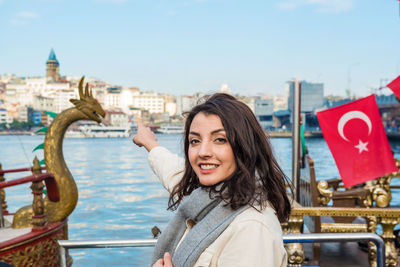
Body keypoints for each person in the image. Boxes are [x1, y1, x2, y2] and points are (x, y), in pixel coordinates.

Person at [132, 93, 291, 267]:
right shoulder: (207, 200)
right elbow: (174, 172)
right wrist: (150, 144)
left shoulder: (252, 227)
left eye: (220, 140)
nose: (203, 152)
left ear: (245, 147)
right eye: (195, 141)